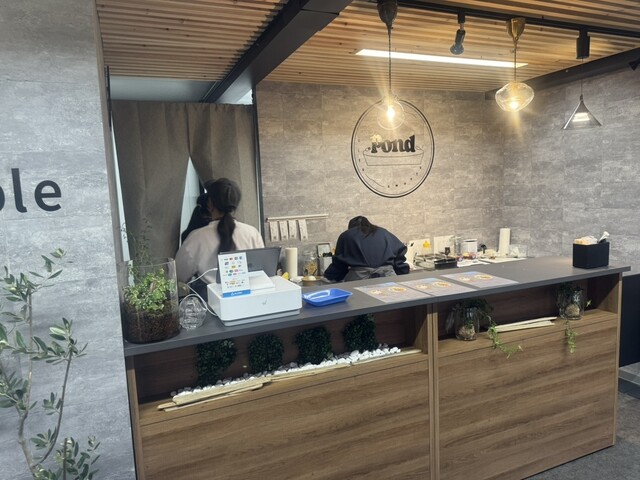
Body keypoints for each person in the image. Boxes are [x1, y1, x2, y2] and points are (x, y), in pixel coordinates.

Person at [175, 178, 264, 285]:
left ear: (209, 203)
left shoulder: (196, 238)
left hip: (207, 296)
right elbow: (262, 271)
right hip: (249, 294)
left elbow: (178, 275)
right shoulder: (252, 233)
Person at [323, 216, 409, 282]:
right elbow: (400, 254)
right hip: (387, 278)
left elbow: (339, 265)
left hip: (359, 280)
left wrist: (329, 275)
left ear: (350, 227)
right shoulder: (384, 233)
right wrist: (402, 271)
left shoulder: (346, 235)